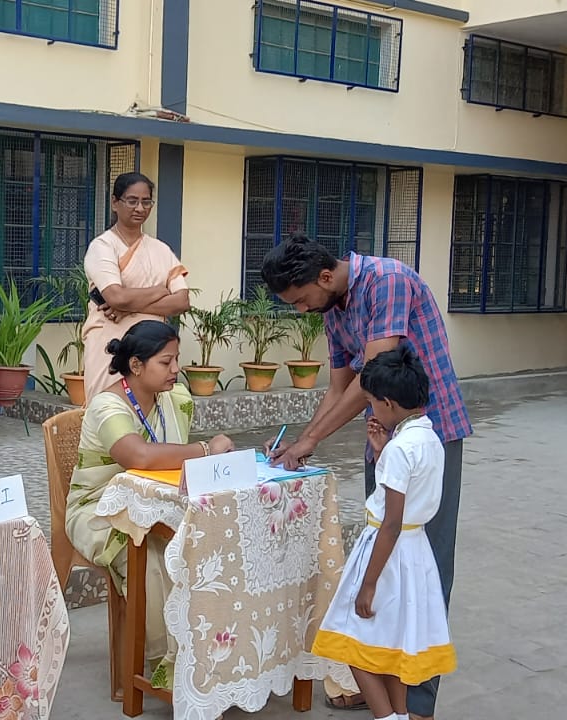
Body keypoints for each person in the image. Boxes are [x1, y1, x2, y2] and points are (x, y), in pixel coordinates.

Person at [261, 236, 470, 719]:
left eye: (300, 300)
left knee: (425, 566)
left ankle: (416, 702)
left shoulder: (387, 281)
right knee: (387, 563)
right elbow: (340, 387)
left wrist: (310, 440)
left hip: (430, 434)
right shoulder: (332, 308)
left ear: (325, 277)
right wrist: (300, 441)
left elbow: (373, 368)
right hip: (384, 437)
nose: (302, 310)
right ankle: (380, 675)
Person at [65, 320, 233, 687]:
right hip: (101, 510)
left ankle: (216, 657)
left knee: (215, 546)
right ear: (136, 366)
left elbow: (168, 461)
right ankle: (168, 667)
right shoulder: (107, 405)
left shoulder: (174, 400)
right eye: (166, 362)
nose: (176, 370)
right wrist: (206, 451)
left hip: (161, 503)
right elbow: (138, 455)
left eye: (177, 360)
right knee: (150, 555)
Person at [312, 347, 456, 720]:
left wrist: (369, 583)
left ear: (389, 404)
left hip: (386, 556)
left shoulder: (399, 451)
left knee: (352, 645)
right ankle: (400, 713)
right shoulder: (430, 440)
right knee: (393, 647)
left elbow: (390, 522)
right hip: (415, 552)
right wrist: (381, 452)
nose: (371, 409)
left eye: (373, 402)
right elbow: (408, 495)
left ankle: (385, 717)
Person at [81, 172, 192, 401]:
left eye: (146, 202)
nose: (140, 208)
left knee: (149, 412)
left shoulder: (161, 250)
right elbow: (116, 296)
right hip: (109, 341)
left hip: (152, 347)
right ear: (115, 202)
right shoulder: (102, 247)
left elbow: (182, 301)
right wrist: (159, 291)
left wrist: (130, 308)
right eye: (132, 201)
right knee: (108, 407)